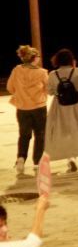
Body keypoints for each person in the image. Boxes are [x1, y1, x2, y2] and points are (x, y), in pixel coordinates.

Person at [45, 49, 78, 167]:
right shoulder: (77, 71)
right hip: (77, 106)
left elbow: (50, 92)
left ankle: (70, 158)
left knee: (65, 132)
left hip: (60, 107)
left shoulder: (53, 74)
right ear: (71, 60)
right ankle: (77, 154)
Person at [6, 46, 48, 175]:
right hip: (39, 107)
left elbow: (9, 87)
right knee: (40, 135)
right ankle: (37, 161)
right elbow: (48, 88)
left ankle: (21, 158)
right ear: (34, 58)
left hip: (22, 108)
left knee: (24, 135)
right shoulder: (42, 72)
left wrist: (20, 94)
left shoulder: (17, 70)